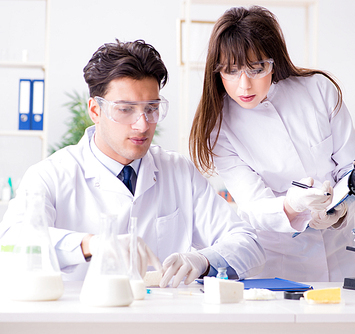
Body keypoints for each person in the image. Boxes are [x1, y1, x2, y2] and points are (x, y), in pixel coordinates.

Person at [0, 39, 265, 288]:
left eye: (151, 108)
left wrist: (204, 260)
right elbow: (11, 244)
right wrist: (92, 244)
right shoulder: (51, 175)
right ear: (95, 110)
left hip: (161, 319)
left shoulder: (178, 172)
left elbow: (249, 244)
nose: (142, 124)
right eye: (125, 109)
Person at [190, 6, 355, 282]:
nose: (244, 85)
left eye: (256, 68)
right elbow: (253, 205)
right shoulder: (220, 126)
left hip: (343, 252)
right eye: (231, 71)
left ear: (274, 61)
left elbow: (354, 168)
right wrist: (293, 205)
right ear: (217, 71)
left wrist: (341, 210)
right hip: (281, 262)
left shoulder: (318, 90)